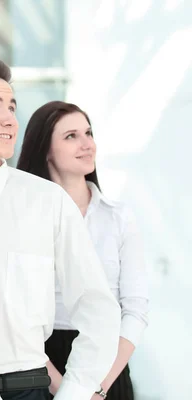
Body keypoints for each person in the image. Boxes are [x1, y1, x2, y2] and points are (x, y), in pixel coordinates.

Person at [0, 55, 122, 400]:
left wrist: (74, 392)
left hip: (25, 388)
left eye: (11, 107)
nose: (10, 120)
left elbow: (97, 307)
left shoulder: (47, 201)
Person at [17, 101, 149, 400]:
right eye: (71, 136)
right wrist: (65, 388)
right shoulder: (23, 219)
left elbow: (136, 308)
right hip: (43, 367)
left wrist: (97, 386)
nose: (87, 144)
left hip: (109, 369)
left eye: (88, 133)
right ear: (45, 149)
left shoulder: (119, 217)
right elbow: (15, 315)